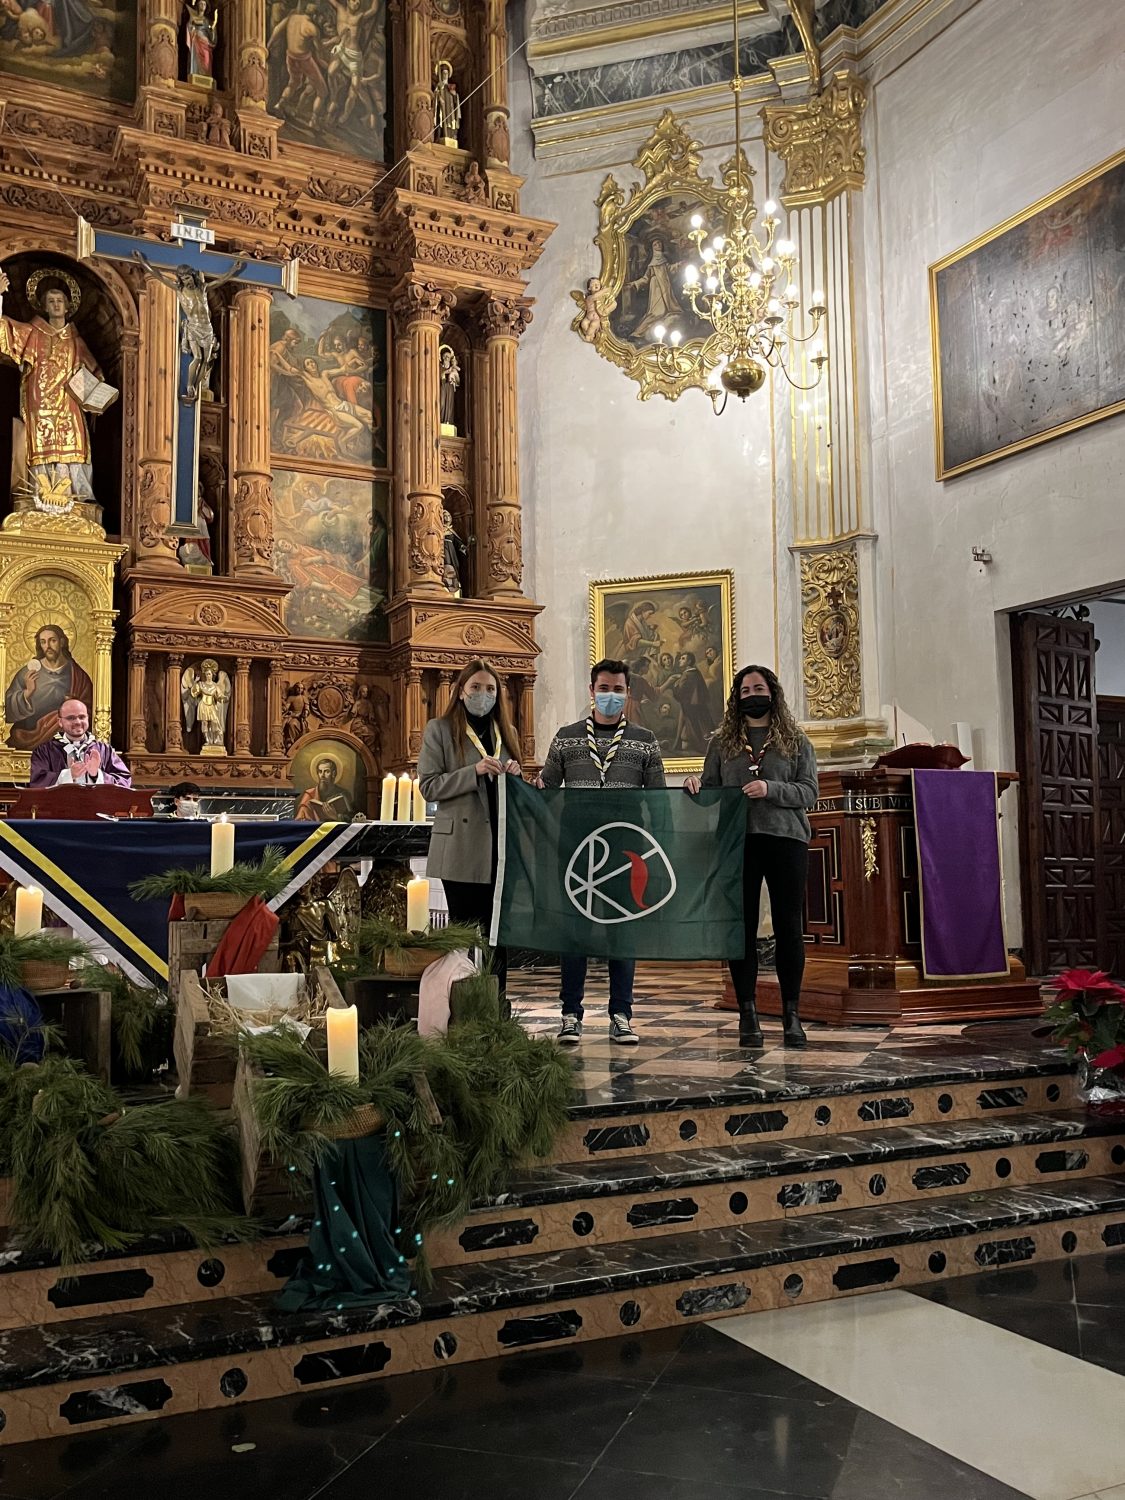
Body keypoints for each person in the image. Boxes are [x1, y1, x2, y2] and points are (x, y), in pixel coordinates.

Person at [685, 665, 818, 1049]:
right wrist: (695, 786)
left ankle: (792, 1016)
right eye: (745, 690)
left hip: (785, 840)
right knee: (739, 929)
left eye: (758, 688)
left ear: (772, 693)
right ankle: (748, 1014)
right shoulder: (722, 744)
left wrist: (770, 788)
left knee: (788, 926)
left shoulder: (795, 740)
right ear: (736, 699)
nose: (752, 695)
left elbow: (808, 792)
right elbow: (710, 791)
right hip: (738, 842)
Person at [539, 659, 666, 1046]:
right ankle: (570, 1014)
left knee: (621, 933)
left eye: (619, 690)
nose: (611, 696)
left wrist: (690, 796)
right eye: (604, 688)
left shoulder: (645, 740)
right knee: (574, 932)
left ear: (629, 694)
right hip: (576, 848)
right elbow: (546, 786)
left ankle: (621, 1014)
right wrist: (528, 787)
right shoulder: (566, 737)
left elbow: (660, 800)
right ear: (591, 690)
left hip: (627, 848)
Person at [418, 658, 522, 998]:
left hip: (500, 845)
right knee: (464, 932)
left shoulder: (507, 733)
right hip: (462, 843)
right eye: (476, 687)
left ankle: (497, 1004)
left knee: (498, 933)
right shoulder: (440, 729)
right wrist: (473, 771)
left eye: (490, 689)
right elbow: (429, 786)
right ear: (460, 692)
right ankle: (460, 1005)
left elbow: (517, 793)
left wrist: (517, 777)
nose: (483, 694)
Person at [4, 624, 95, 750]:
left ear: (62, 642)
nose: (48, 646)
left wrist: (73, 705)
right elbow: (6, 709)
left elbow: (90, 710)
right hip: (27, 738)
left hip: (64, 744)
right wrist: (27, 693)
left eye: (52, 640)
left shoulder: (78, 676)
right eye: (43, 642)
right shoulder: (28, 673)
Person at [29, 698, 131, 788]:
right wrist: (69, 775)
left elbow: (124, 782)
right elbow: (37, 782)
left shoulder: (104, 750)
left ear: (88, 718)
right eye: (71, 718)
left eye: (82, 717)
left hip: (96, 808)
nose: (78, 722)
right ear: (60, 722)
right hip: (60, 808)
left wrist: (96, 774)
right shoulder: (45, 751)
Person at [296, 755, 354, 822]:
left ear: (333, 773)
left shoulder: (344, 793)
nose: (322, 775)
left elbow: (352, 818)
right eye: (320, 771)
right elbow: (301, 818)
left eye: (326, 771)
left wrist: (336, 817)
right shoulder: (309, 795)